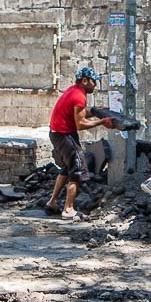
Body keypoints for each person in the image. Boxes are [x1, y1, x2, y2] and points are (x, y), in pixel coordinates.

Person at [46, 67, 112, 220]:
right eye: (93, 81)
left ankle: (52, 202)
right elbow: (80, 124)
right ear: (84, 81)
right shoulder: (79, 96)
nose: (95, 85)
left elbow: (80, 113)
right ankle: (68, 209)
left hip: (57, 134)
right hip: (65, 135)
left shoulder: (74, 91)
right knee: (77, 170)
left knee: (67, 168)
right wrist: (102, 121)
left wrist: (96, 112)